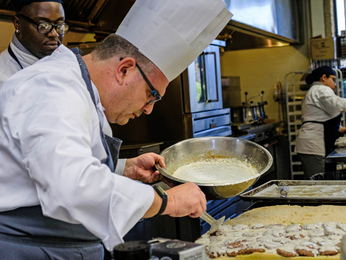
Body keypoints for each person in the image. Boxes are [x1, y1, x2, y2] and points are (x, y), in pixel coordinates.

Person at [0, 0, 232, 259]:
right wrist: (168, 202)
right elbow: (74, 186)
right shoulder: (52, 88)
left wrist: (124, 168)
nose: (148, 109)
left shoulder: (78, 86)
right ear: (124, 69)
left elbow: (49, 167)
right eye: (151, 94)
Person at [295, 66, 346, 180]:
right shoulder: (321, 89)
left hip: (310, 144)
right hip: (313, 146)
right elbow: (337, 105)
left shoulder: (313, 91)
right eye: (333, 79)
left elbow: (321, 119)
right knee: (318, 183)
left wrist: (344, 129)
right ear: (324, 78)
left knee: (317, 182)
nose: (334, 84)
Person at [0, 0, 68, 86]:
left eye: (60, 24)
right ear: (17, 24)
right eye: (43, 25)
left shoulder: (68, 64)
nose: (54, 33)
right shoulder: (4, 80)